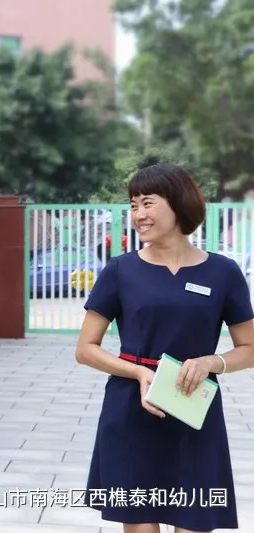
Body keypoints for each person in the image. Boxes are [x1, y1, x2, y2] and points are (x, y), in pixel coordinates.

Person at [75, 162, 254, 533]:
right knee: (139, 522)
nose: (138, 215)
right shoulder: (120, 270)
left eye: (147, 203)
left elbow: (249, 348)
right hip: (132, 409)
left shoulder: (223, 273)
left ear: (177, 203)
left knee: (195, 522)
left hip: (193, 408)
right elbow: (86, 348)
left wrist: (211, 362)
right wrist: (139, 372)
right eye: (133, 205)